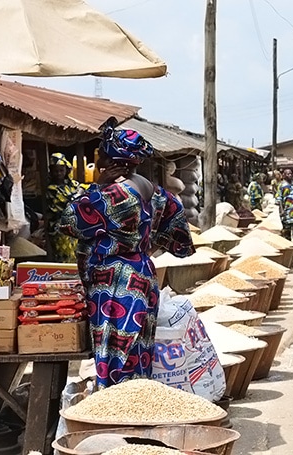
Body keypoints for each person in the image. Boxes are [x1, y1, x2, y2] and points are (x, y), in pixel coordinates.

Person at [58, 123, 194, 389]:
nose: (98, 157)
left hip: (116, 285)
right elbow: (177, 230)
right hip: (142, 276)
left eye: (101, 152)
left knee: (115, 356)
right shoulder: (154, 190)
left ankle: (117, 408)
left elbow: (69, 221)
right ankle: (136, 405)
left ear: (112, 160)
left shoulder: (116, 194)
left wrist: (98, 185)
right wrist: (145, 247)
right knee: (138, 353)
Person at [46, 152, 85, 263]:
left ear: (66, 170)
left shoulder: (73, 185)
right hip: (60, 227)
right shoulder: (52, 188)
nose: (59, 173)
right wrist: (78, 195)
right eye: (56, 171)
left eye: (61, 170)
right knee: (65, 255)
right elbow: (67, 202)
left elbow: (86, 188)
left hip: (76, 226)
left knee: (77, 254)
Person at [276, 169, 293, 247]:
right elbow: (279, 199)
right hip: (286, 211)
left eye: (290, 173)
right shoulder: (282, 185)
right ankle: (288, 244)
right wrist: (281, 210)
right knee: (287, 228)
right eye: (287, 174)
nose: (290, 175)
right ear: (284, 175)